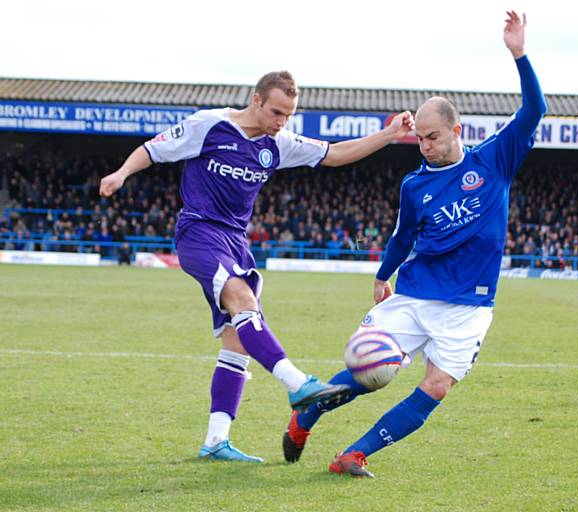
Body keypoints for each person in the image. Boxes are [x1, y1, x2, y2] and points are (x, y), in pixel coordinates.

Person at [282, 11, 547, 477]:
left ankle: (354, 454)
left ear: (456, 130)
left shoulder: (494, 161)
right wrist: (383, 276)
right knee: (371, 374)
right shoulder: (414, 186)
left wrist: (519, 54)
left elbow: (534, 111)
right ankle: (308, 412)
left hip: (470, 305)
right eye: (420, 138)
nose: (425, 145)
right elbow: (402, 237)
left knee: (438, 386)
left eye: (433, 137)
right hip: (416, 293)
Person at [99, 71, 414, 463]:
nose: (282, 122)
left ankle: (216, 440)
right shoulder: (208, 125)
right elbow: (154, 148)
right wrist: (121, 173)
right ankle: (297, 383)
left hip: (236, 241)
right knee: (243, 301)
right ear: (257, 100)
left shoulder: (278, 143)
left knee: (237, 340)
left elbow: (333, 154)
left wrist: (388, 136)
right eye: (277, 112)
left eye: (288, 115)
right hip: (198, 231)